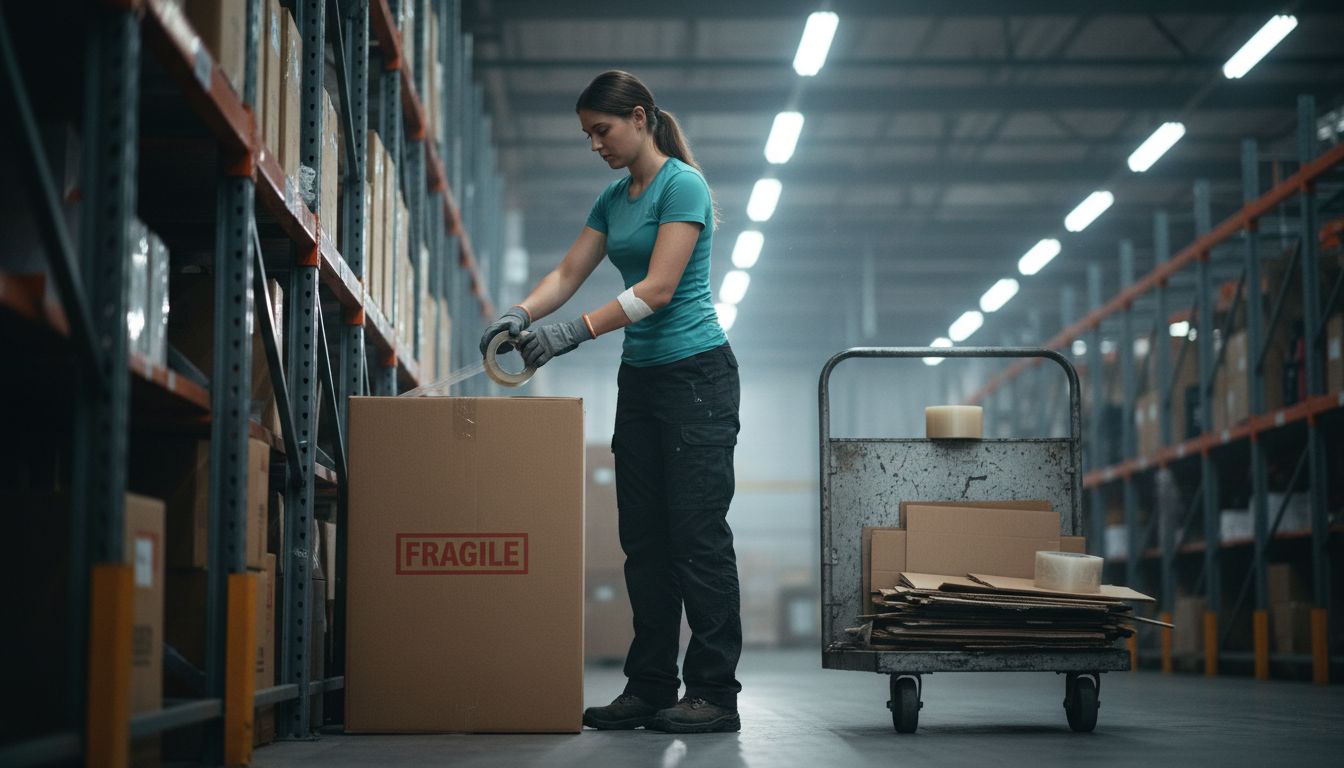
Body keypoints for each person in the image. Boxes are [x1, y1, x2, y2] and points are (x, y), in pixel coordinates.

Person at [478, 70, 742, 734]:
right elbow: (569, 272)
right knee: (644, 543)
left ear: (641, 118)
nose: (596, 144)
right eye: (588, 135)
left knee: (696, 540)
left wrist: (570, 333)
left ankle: (713, 691)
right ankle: (651, 686)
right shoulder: (613, 198)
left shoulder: (683, 185)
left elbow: (656, 289)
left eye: (603, 130)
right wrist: (519, 314)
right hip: (644, 383)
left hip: (697, 381)